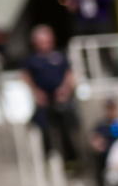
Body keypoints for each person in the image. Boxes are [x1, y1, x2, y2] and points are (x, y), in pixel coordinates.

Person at [22, 25, 79, 162]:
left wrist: (65, 90)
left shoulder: (60, 56)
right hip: (43, 102)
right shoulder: (31, 59)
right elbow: (24, 76)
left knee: (68, 127)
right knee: (43, 129)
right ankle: (48, 160)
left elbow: (70, 74)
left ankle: (71, 161)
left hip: (61, 100)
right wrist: (36, 92)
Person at [89, 98, 118, 186]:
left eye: (113, 108)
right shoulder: (100, 125)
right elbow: (94, 140)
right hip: (105, 160)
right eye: (109, 108)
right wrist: (97, 144)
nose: (111, 111)